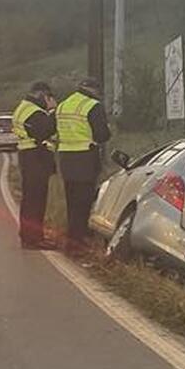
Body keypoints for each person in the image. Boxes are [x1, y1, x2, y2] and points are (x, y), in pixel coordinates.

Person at [55, 77, 111, 255]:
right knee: (84, 202)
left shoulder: (63, 105)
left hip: (65, 158)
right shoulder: (93, 105)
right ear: (94, 90)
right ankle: (76, 243)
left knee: (72, 201)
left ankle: (72, 238)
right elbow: (102, 135)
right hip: (85, 158)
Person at [11, 81, 57, 249]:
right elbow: (45, 131)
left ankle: (28, 236)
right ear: (42, 95)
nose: (50, 100)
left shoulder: (23, 107)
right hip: (35, 157)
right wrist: (52, 112)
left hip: (27, 156)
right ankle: (34, 239)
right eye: (49, 97)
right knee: (36, 200)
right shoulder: (34, 112)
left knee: (29, 199)